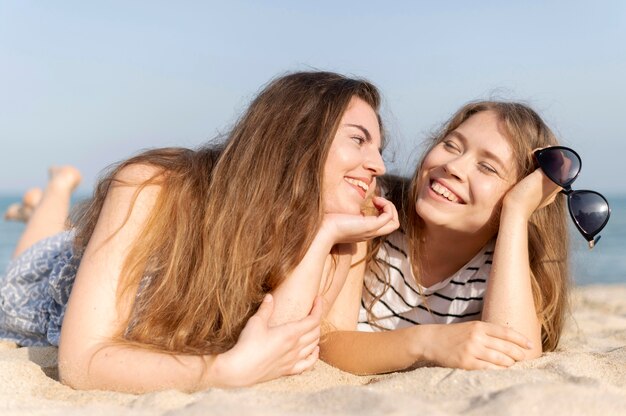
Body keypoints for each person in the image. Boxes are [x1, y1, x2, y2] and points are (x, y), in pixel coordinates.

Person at [0, 71, 399, 392]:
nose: (378, 165)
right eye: (358, 140)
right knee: (36, 248)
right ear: (295, 138)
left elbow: (287, 345)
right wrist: (221, 372)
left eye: (378, 149)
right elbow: (80, 364)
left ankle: (44, 203)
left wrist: (326, 234)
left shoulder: (345, 234)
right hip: (51, 285)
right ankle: (57, 187)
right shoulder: (151, 185)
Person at [320, 100, 573, 374]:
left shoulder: (506, 263)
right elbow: (326, 344)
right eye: (452, 146)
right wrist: (428, 342)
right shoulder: (373, 211)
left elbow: (515, 360)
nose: (454, 166)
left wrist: (516, 212)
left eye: (487, 167)